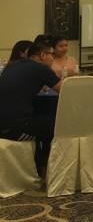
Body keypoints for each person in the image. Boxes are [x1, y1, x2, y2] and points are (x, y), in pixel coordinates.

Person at [0, 42, 62, 172]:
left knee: (42, 120)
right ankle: (47, 167)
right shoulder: (42, 69)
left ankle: (40, 164)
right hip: (14, 128)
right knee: (57, 125)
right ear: (43, 55)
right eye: (52, 55)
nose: (53, 59)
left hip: (4, 122)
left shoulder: (12, 65)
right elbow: (66, 90)